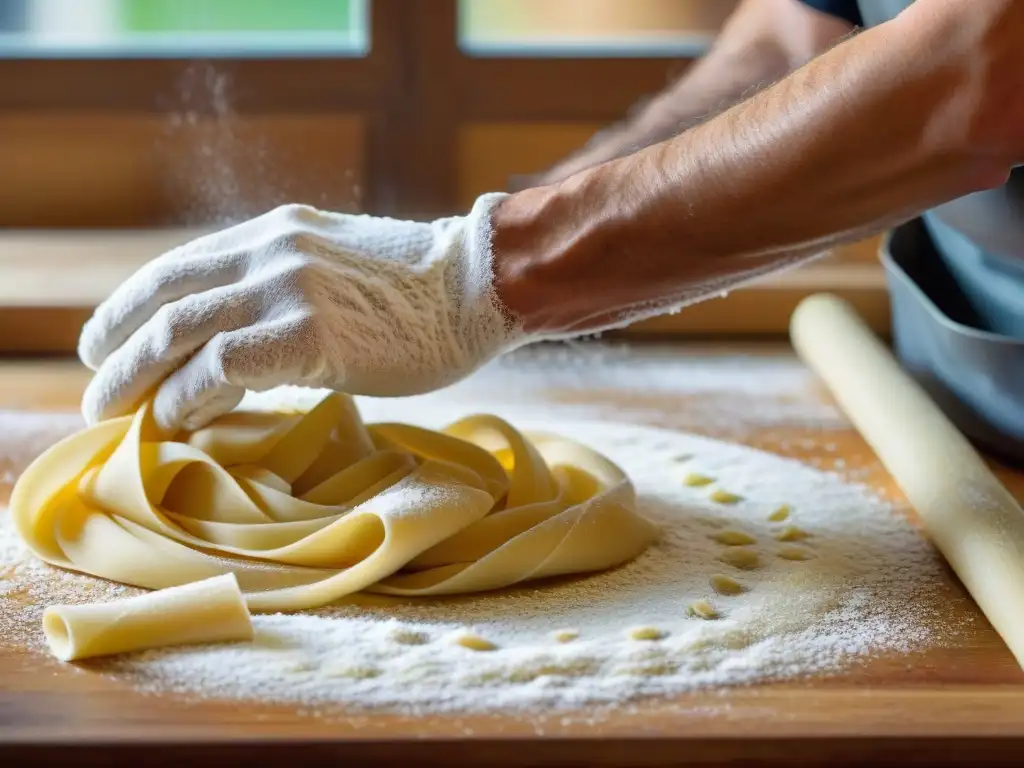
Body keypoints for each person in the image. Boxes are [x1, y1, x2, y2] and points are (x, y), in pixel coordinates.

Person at [78, 0, 1023, 432]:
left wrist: (481, 279)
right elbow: (793, 36)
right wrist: (491, 235)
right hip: (948, 392)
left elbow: (980, 71)